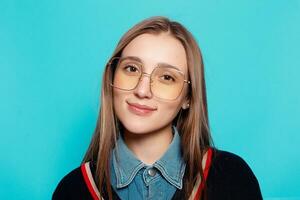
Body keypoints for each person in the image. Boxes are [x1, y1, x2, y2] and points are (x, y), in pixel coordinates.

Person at [52, 16, 263, 200]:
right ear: (111, 77)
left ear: (188, 98)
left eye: (167, 77)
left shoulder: (232, 177)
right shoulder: (72, 190)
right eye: (132, 68)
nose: (143, 91)